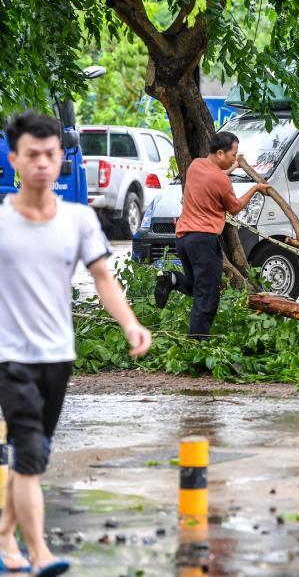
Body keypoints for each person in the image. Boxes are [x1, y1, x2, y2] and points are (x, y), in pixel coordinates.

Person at [0, 112, 152, 576]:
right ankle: (37, 552)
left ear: (60, 158)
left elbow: (103, 278)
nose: (43, 164)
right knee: (27, 453)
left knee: (35, 455)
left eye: (51, 155)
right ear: (15, 160)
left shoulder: (79, 219)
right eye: (33, 156)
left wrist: (130, 324)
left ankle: (4, 537)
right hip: (10, 358)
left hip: (58, 356)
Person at [154, 131, 270, 337]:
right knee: (207, 295)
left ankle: (171, 279)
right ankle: (197, 344)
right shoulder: (220, 180)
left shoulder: (196, 165)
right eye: (232, 155)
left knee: (197, 285)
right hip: (203, 240)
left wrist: (233, 167)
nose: (235, 158)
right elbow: (234, 208)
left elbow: (213, 177)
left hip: (183, 238)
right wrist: (256, 188)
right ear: (219, 153)